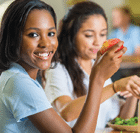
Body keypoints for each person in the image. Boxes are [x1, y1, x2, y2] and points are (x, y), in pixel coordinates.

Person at [0, 0, 129, 132]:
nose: (46, 43)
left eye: (51, 33)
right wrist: (98, 79)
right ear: (12, 38)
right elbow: (67, 113)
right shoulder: (19, 83)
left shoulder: (19, 78)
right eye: (33, 34)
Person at [44, 1, 140, 130]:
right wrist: (114, 87)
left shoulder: (98, 65)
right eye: (89, 35)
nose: (97, 42)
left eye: (102, 34)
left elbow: (120, 120)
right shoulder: (57, 69)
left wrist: (133, 93)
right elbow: (67, 112)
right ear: (71, 35)